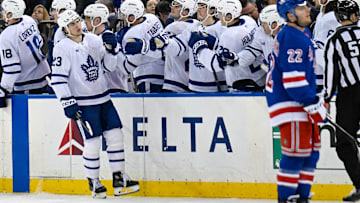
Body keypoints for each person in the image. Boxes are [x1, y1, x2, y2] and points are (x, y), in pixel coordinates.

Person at [51, 9, 139, 198]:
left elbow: (109, 66)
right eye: (72, 24)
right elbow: (58, 79)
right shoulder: (61, 47)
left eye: (77, 21)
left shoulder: (93, 40)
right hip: (84, 103)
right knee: (93, 141)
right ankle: (94, 181)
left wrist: (112, 50)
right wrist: (67, 101)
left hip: (104, 98)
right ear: (65, 29)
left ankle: (119, 177)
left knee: (116, 135)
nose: (77, 25)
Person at [266, 0, 327, 202]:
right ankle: (286, 198)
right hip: (291, 104)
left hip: (301, 103)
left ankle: (301, 197)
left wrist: (314, 99)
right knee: (295, 154)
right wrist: (313, 103)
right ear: (290, 15)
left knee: (311, 155)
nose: (308, 10)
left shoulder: (302, 34)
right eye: (301, 8)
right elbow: (292, 80)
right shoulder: (291, 37)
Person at [324, 0, 360, 201]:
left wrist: (327, 98)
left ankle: (359, 184)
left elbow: (331, 72)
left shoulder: (334, 40)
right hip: (351, 94)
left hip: (350, 96)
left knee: (345, 143)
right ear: (354, 16)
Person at [216, 4, 284, 91]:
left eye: (264, 23)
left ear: (274, 25)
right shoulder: (262, 33)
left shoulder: (290, 38)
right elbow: (252, 51)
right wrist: (236, 58)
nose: (261, 26)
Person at [0, 0, 51, 107]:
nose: (2, 12)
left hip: (27, 82)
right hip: (44, 75)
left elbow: (12, 68)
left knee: (28, 119)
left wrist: (3, 90)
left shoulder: (6, 36)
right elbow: (40, 42)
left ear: (11, 13)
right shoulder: (29, 20)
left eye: (4, 10)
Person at [118, 0, 165, 93]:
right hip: (163, 70)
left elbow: (128, 67)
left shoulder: (130, 35)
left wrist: (117, 50)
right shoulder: (152, 17)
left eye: (124, 14)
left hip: (147, 76)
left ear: (131, 17)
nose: (122, 17)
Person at [83, 3, 129, 93]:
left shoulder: (109, 38)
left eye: (88, 18)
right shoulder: (90, 38)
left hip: (114, 88)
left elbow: (117, 64)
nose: (85, 22)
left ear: (97, 20)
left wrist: (112, 51)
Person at [312, 0, 340, 90]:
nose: (313, 0)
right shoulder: (321, 15)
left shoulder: (331, 18)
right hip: (323, 73)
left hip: (327, 76)